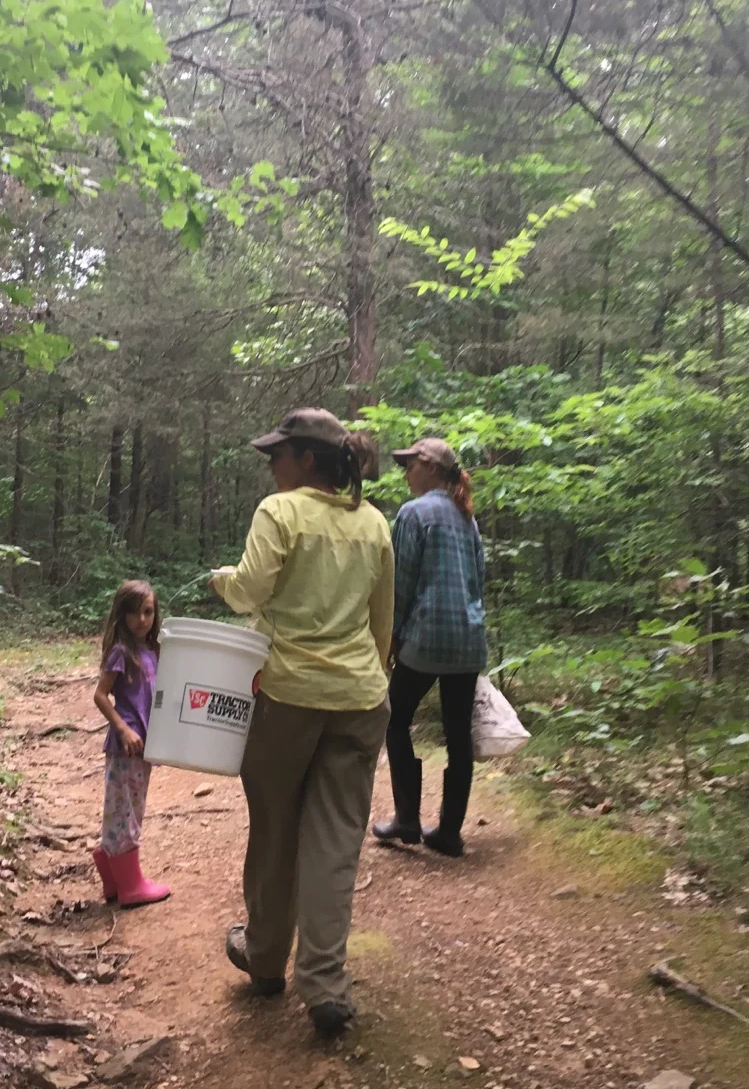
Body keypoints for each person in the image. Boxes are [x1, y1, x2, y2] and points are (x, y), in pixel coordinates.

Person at [211, 409, 393, 1040]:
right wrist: (369, 680)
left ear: (307, 459)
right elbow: (382, 621)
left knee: (275, 827)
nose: (271, 465)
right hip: (360, 699)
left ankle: (265, 960)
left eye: (278, 454)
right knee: (335, 842)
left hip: (286, 696)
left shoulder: (279, 512)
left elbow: (248, 591)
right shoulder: (374, 523)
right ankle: (325, 985)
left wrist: (220, 579)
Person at [372, 438, 486, 858]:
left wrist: (391, 636)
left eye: (411, 465)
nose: (406, 473)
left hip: (426, 635)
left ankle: (408, 820)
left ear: (432, 469)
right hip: (468, 638)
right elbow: (477, 580)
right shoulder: (467, 517)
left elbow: (400, 582)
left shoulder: (413, 513)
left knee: (395, 718)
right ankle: (450, 833)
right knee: (458, 733)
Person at [91, 579, 171, 908]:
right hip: (127, 745)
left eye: (148, 612)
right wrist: (123, 729)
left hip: (143, 746)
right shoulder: (121, 652)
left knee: (123, 808)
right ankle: (131, 886)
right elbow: (100, 695)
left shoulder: (152, 651)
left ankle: (114, 881)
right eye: (134, 613)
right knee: (126, 811)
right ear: (121, 615)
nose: (142, 620)